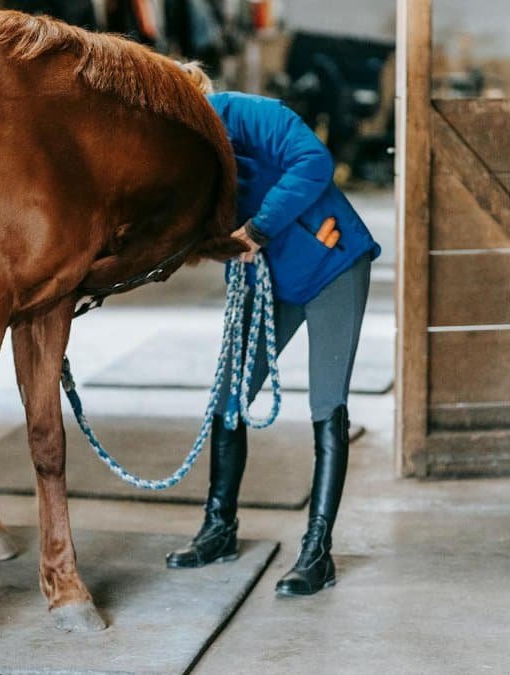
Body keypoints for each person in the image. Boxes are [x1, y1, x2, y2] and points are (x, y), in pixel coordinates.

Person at [165, 83, 381, 597]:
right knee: (228, 400)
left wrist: (257, 231)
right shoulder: (177, 157)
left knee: (326, 403)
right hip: (267, 281)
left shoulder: (245, 114)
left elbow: (314, 161)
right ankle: (219, 529)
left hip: (332, 265)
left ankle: (317, 552)